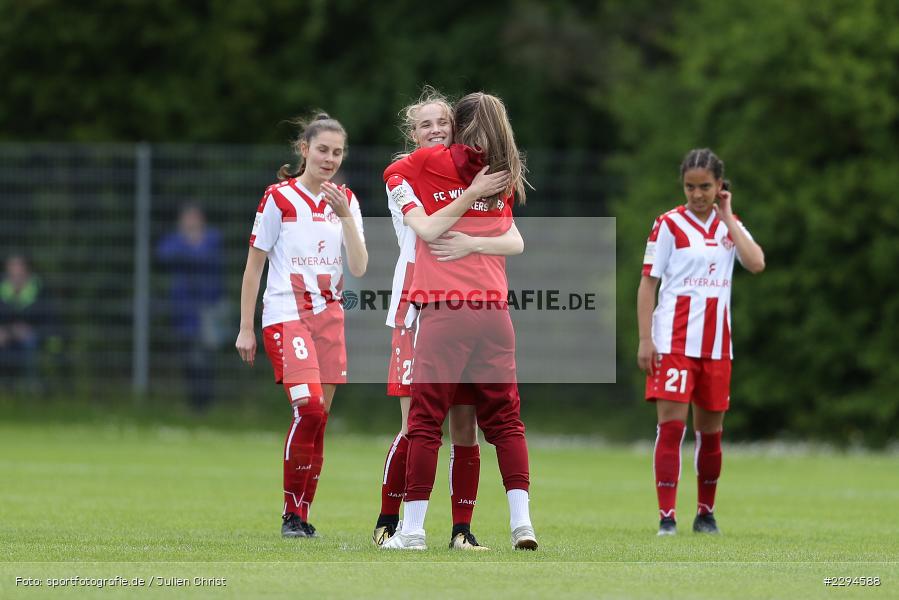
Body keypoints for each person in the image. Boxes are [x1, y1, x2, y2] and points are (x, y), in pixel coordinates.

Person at [380, 92, 536, 551]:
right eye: (425, 123)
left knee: (427, 424)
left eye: (443, 121)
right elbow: (511, 240)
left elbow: (432, 230)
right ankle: (521, 525)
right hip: (490, 312)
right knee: (505, 423)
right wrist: (474, 218)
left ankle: (413, 531)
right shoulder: (491, 170)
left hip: (443, 310)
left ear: (459, 126)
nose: (435, 129)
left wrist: (468, 242)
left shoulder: (436, 168)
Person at [235, 112, 367, 538]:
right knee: (308, 407)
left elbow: (360, 267)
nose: (329, 158)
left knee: (320, 419)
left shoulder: (347, 200)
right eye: (322, 150)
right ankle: (290, 513)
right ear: (304, 150)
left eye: (337, 152)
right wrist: (245, 327)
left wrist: (346, 216)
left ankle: (303, 515)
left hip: (330, 319)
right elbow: (254, 266)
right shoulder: (279, 198)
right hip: (285, 314)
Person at [637, 148, 765, 536]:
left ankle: (705, 513)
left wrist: (728, 216)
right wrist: (645, 338)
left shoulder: (731, 226)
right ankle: (667, 517)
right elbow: (648, 283)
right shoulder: (668, 224)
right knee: (671, 429)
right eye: (690, 187)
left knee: (709, 434)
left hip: (716, 348)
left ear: (719, 186)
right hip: (673, 344)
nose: (697, 194)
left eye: (705, 186)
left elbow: (756, 263)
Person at [156, 204, 226, 412]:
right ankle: (194, 404)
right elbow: (162, 255)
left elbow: (207, 257)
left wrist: (188, 250)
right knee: (189, 358)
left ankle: (206, 404)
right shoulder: (175, 241)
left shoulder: (212, 238)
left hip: (209, 309)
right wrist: (190, 246)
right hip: (184, 312)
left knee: (207, 358)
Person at [0, 253, 52, 390]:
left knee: (30, 342)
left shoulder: (40, 289)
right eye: (12, 268)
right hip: (5, 336)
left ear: (27, 270)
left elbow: (49, 320)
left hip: (31, 337)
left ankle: (31, 386)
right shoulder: (2, 288)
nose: (16, 272)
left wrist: (32, 331)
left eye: (19, 268)